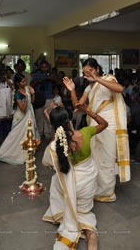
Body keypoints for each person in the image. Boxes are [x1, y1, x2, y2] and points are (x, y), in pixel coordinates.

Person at [63, 58, 130, 202]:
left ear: (97, 69)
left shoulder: (107, 78)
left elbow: (120, 88)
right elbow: (77, 105)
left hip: (109, 123)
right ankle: (97, 188)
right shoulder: (89, 88)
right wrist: (72, 90)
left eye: (91, 71)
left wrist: (97, 79)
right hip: (95, 122)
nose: (88, 74)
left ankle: (107, 192)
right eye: (85, 72)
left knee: (106, 157)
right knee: (96, 157)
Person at [42, 105, 108, 250]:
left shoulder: (56, 144)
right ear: (69, 119)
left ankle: (68, 214)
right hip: (87, 182)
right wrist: (88, 111)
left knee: (55, 180)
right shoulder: (85, 133)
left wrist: (51, 120)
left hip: (71, 185)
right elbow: (104, 124)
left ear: (54, 126)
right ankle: (91, 236)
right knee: (86, 219)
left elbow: (47, 161)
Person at [0, 73, 39, 165]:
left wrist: (33, 94)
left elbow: (32, 102)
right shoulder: (18, 93)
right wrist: (26, 97)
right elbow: (22, 109)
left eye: (25, 80)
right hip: (21, 118)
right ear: (18, 83)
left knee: (27, 136)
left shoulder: (27, 88)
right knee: (13, 137)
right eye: (22, 81)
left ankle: (26, 155)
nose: (25, 82)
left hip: (29, 116)